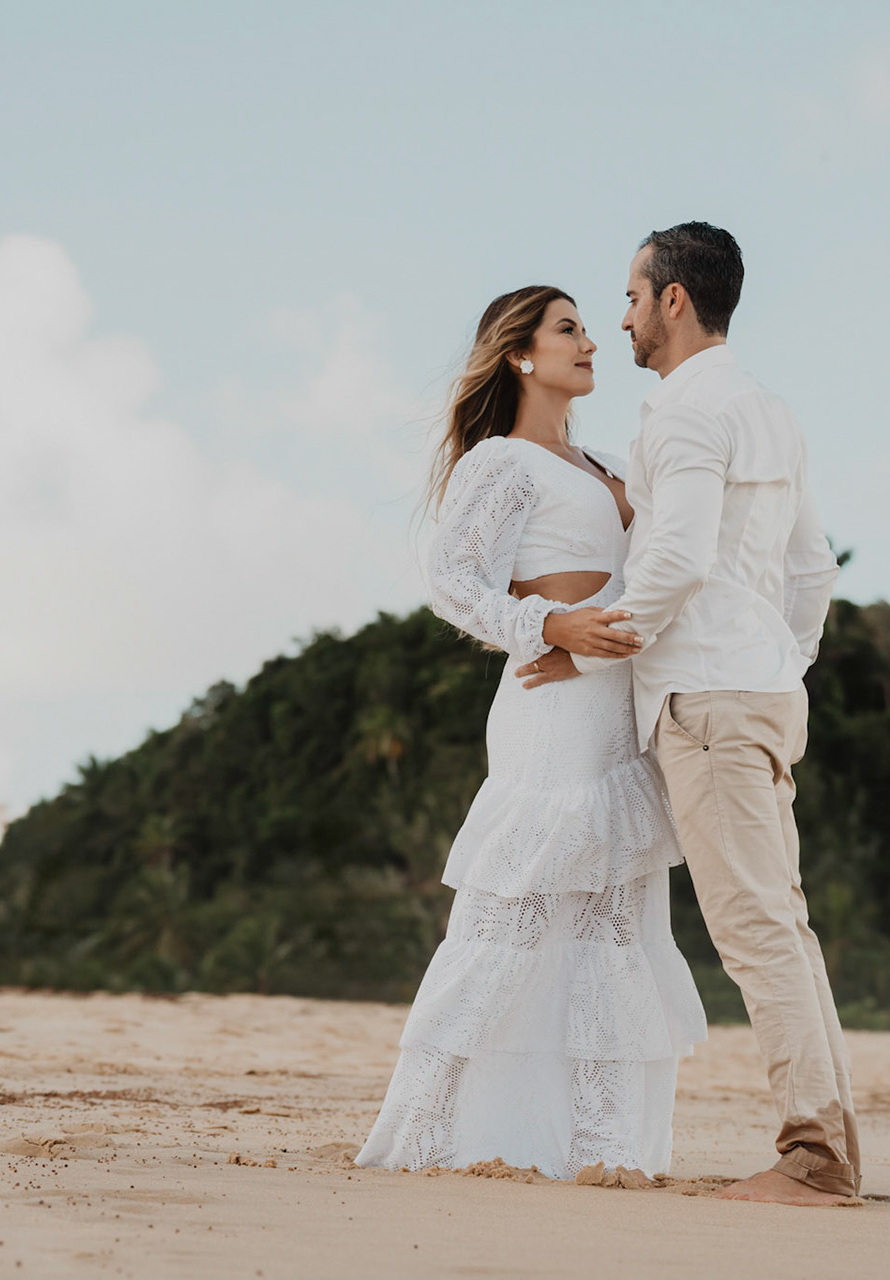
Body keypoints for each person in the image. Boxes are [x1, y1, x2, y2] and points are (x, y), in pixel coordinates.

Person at [519, 223, 859, 1206]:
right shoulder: (771, 411)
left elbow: (677, 559)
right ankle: (834, 1149)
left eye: (630, 295)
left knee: (756, 929)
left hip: (712, 698)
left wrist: (588, 635)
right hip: (756, 689)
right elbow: (812, 569)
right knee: (782, 925)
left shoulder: (679, 415)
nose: (619, 315)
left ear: (674, 300)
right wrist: (777, 659)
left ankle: (816, 1159)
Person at [355, 286, 707, 1179]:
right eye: (569, 329)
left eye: (589, 326)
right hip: (549, 716)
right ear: (519, 354)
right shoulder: (501, 463)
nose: (592, 340)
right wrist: (547, 628)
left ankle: (598, 1149)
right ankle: (430, 1133)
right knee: (511, 925)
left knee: (612, 928)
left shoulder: (598, 463)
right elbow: (453, 580)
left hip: (613, 714)